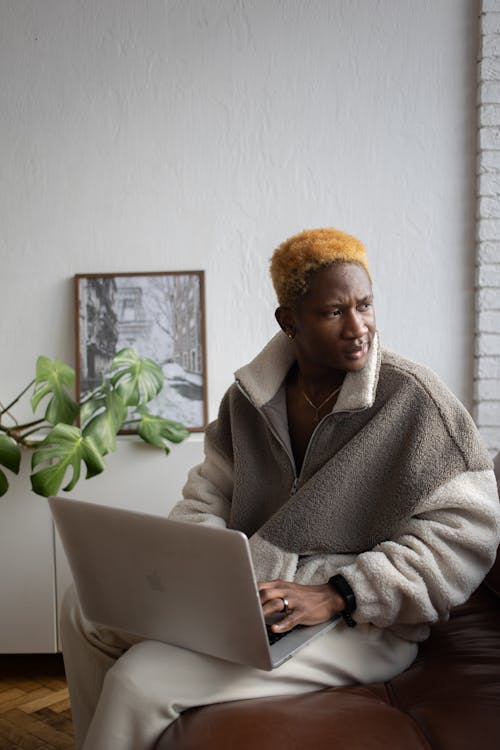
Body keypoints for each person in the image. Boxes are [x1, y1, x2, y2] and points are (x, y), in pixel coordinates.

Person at [61, 227, 500, 750]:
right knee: (80, 607)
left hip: (363, 624)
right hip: (252, 603)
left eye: (365, 305)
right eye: (334, 312)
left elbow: (466, 535)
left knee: (138, 681)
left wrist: (340, 592)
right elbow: (206, 497)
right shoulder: (247, 402)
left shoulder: (415, 401)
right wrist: (204, 578)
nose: (358, 326)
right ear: (288, 321)